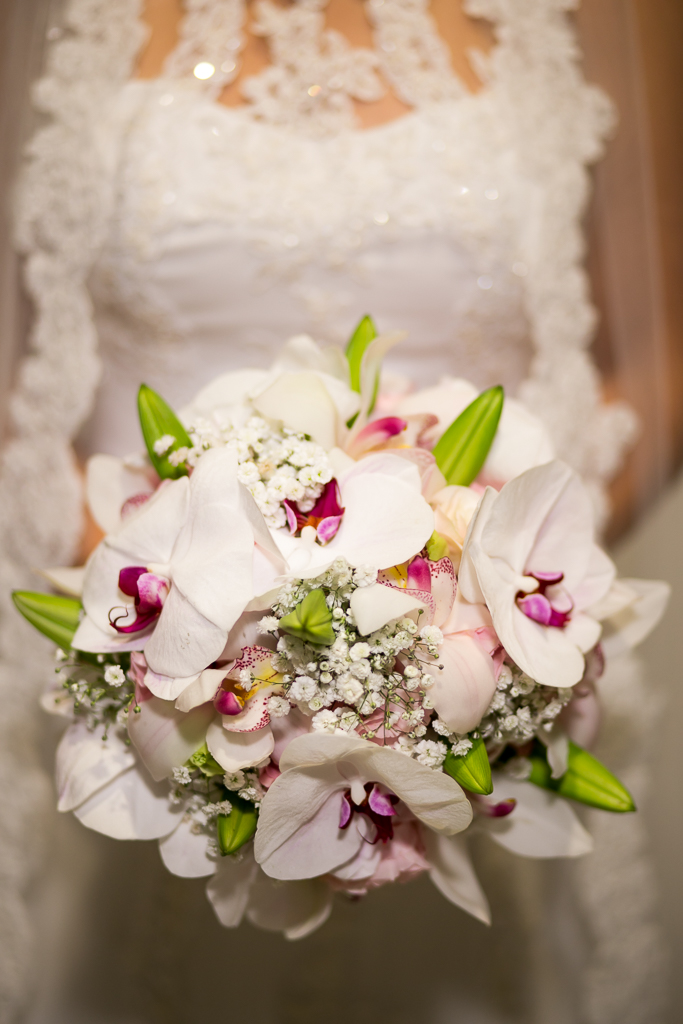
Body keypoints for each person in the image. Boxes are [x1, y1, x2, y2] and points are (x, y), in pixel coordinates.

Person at [0, 2, 680, 1021]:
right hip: (130, 673)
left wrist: (471, 632)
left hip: (479, 719)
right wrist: (174, 639)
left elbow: (652, 360)